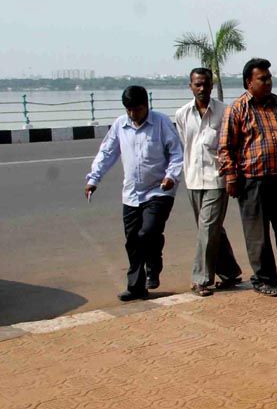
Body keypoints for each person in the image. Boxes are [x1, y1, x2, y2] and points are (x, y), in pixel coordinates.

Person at [218, 58, 277, 297]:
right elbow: (225, 147)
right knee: (257, 236)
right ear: (249, 82)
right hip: (252, 181)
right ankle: (264, 279)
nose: (268, 82)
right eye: (262, 78)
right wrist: (230, 177)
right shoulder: (237, 108)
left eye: (269, 78)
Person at [84, 85, 183, 301]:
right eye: (128, 110)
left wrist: (171, 176)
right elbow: (107, 153)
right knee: (132, 241)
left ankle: (153, 266)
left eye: (137, 109)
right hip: (131, 193)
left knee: (148, 232)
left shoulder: (161, 122)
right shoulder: (120, 125)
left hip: (159, 189)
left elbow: (176, 152)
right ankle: (136, 287)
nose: (132, 114)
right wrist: (93, 179)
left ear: (146, 105)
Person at [175, 68, 242, 297]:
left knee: (207, 228)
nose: (202, 88)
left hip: (217, 179)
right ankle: (230, 272)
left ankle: (201, 278)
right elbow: (185, 144)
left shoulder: (224, 112)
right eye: (197, 84)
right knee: (212, 230)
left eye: (205, 84)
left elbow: (232, 145)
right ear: (190, 86)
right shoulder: (182, 114)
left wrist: (231, 175)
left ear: (212, 86)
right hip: (193, 179)